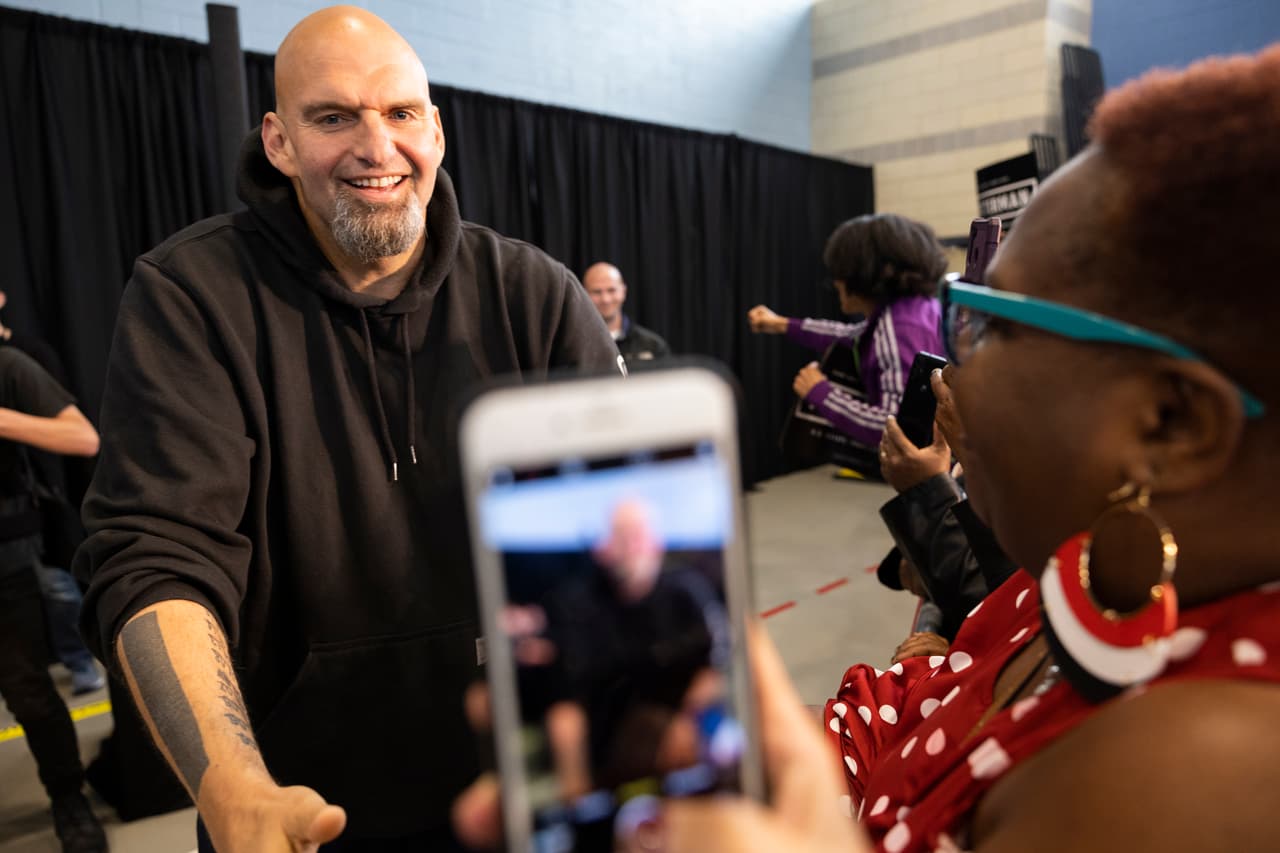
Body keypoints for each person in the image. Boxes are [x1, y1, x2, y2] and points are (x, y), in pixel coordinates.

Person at [673, 44, 1280, 852]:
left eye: (987, 324)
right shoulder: (1074, 578)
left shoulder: (1175, 786)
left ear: (1168, 423)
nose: (949, 369)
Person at [75, 6, 620, 851]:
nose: (376, 146)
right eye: (333, 117)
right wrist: (233, 788)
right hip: (297, 806)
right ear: (279, 142)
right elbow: (155, 556)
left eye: (400, 112)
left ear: (436, 131)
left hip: (528, 788)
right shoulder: (191, 296)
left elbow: (625, 527)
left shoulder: (533, 294)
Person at [0, 346, 105, 852]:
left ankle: (68, 799)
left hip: (6, 563)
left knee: (29, 692)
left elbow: (83, 437)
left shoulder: (8, 367)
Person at [747, 214, 947, 454]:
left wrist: (821, 393)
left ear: (862, 274)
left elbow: (895, 427)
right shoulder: (917, 310)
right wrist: (781, 324)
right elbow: (851, 335)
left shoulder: (897, 328)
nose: (835, 282)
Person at [0, 290, 104, 695]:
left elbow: (81, 437)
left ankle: (81, 661)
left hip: (38, 504)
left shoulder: (20, 358)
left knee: (57, 586)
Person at [582, 262, 671, 367]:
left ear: (623, 291)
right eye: (597, 292)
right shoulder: (576, 345)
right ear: (583, 293)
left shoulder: (653, 346)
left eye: (611, 290)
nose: (605, 299)